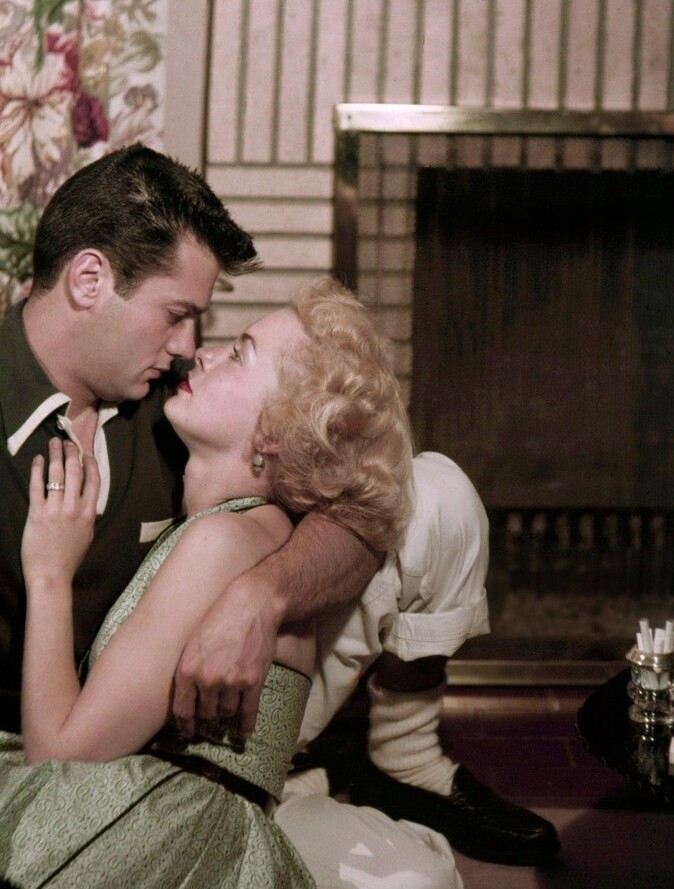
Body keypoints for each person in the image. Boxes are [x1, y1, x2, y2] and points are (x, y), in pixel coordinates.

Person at [0, 144, 558, 880]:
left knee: (433, 492)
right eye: (177, 315)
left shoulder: (176, 397)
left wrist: (258, 598)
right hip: (75, 748)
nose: (192, 348)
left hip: (220, 708)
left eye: (203, 325)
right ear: (89, 280)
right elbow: (58, 758)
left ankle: (404, 755)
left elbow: (358, 511)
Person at [0, 283, 414, 887]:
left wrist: (48, 574)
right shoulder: (255, 532)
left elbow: (58, 758)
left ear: (275, 436)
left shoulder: (223, 544)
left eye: (240, 355)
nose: (204, 353)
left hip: (160, 835)